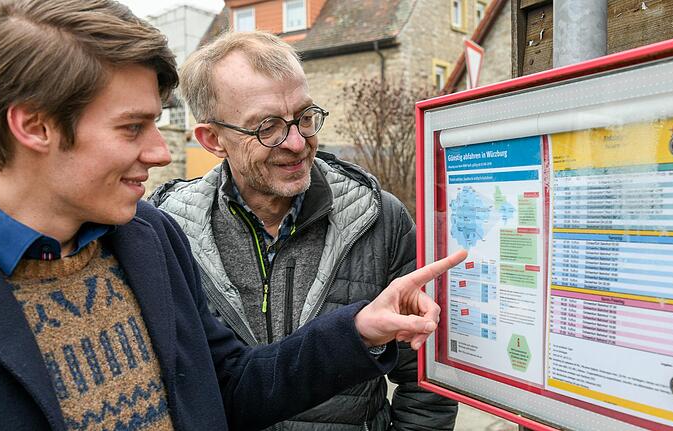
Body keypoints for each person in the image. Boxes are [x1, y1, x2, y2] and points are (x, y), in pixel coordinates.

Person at [0, 1, 467, 430]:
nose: (162, 153)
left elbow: (229, 386)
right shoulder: (170, 221)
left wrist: (356, 332)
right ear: (34, 126)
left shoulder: (148, 240)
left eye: (304, 118)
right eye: (132, 127)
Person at [149, 31, 459, 431]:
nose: (297, 143)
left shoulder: (379, 218)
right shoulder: (167, 232)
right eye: (267, 127)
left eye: (305, 117)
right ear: (213, 139)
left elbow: (426, 378)